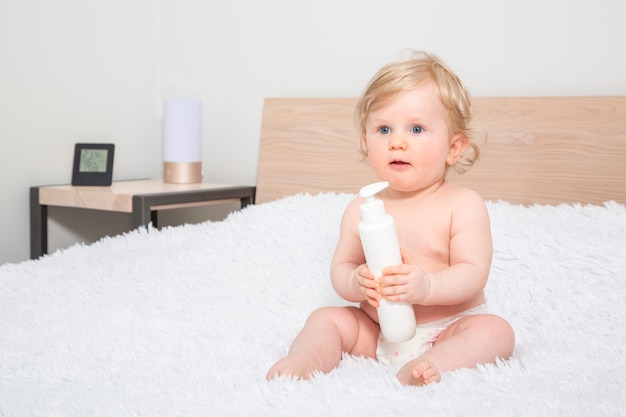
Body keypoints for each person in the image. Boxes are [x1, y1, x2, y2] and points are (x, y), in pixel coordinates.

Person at [266, 50, 515, 386]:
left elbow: (473, 274)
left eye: (416, 128)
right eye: (383, 129)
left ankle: (430, 364)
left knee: (496, 332)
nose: (397, 142)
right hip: (378, 329)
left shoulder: (463, 205)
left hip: (447, 328)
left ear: (453, 147)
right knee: (327, 318)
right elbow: (340, 268)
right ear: (365, 140)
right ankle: (304, 359)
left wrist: (427, 287)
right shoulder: (360, 209)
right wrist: (356, 282)